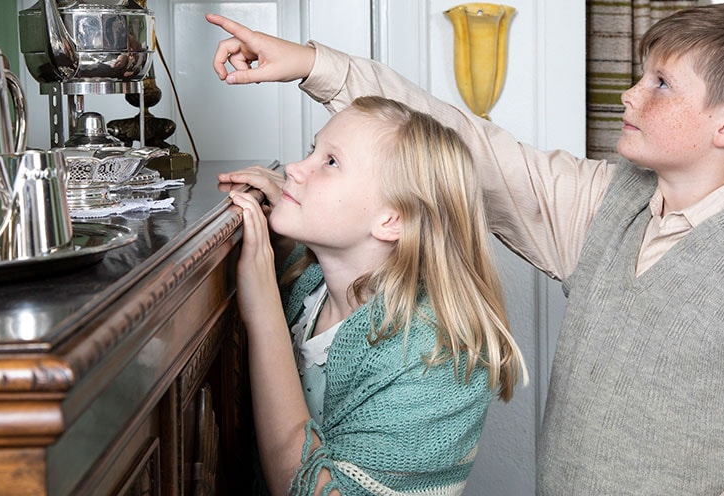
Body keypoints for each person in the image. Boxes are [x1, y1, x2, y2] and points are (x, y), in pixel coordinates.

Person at [207, 2, 724, 495]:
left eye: (662, 84)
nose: (631, 94)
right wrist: (314, 65)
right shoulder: (600, 205)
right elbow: (463, 147)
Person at [222, 94, 528, 495]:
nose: (294, 169)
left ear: (392, 219)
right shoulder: (309, 283)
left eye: (331, 162)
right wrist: (292, 215)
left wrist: (263, 315)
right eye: (313, 150)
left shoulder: (434, 359)